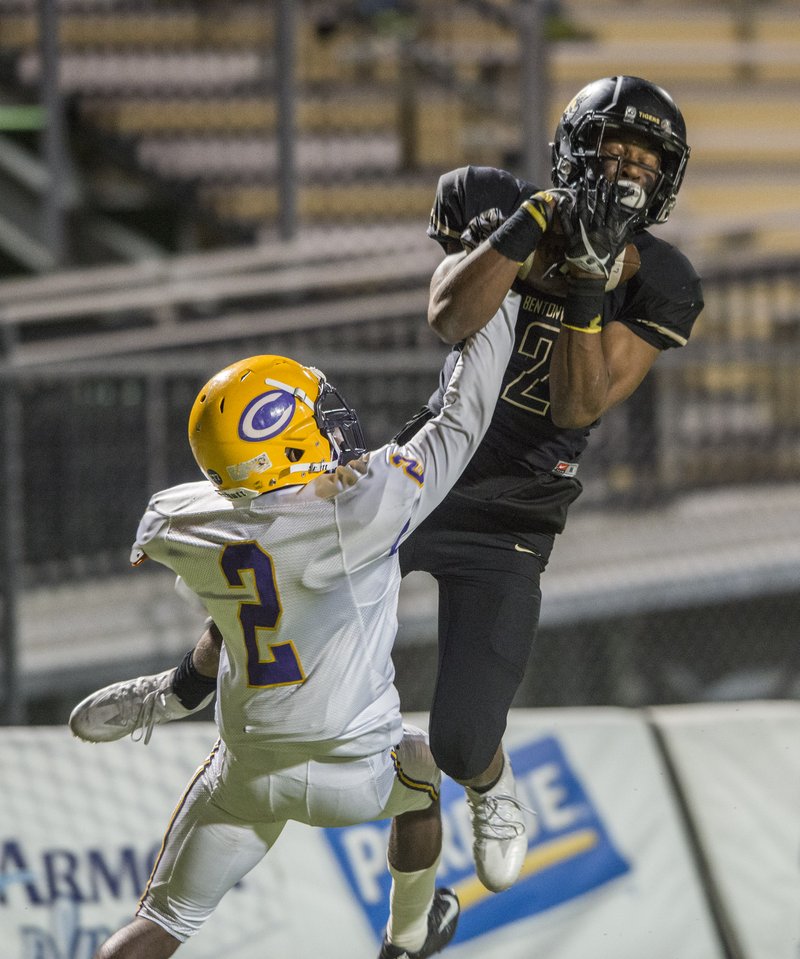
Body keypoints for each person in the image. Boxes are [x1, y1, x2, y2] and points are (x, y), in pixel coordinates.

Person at [70, 75, 703, 898]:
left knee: (465, 738)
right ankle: (183, 687)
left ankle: (490, 784)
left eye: (642, 158)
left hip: (517, 509)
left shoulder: (663, 277)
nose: (624, 169)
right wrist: (533, 226)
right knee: (283, 555)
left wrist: (587, 279)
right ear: (573, 150)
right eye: (611, 149)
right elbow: (449, 316)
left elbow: (578, 402)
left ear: (666, 176)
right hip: (421, 475)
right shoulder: (500, 201)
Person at [75, 292, 519, 958]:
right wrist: (504, 299)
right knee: (422, 773)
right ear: (284, 437)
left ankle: (171, 695)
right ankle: (407, 937)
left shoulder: (177, 519)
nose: (337, 430)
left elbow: (239, 598)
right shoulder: (357, 512)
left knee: (157, 924)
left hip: (248, 769)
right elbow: (463, 416)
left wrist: (186, 687)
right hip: (357, 768)